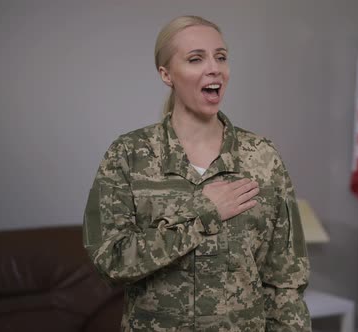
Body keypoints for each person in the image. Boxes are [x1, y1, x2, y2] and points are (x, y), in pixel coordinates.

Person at [82, 15, 311, 332]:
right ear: (166, 74)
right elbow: (110, 262)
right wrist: (204, 212)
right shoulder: (128, 155)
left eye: (221, 57)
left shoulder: (263, 156)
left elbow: (286, 279)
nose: (214, 67)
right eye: (195, 58)